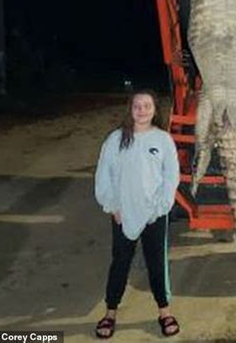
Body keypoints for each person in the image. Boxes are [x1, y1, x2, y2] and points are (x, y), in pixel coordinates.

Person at [94, 89, 180, 339]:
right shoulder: (116, 139)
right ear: (130, 110)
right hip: (123, 213)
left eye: (147, 106)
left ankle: (164, 311)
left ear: (155, 110)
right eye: (137, 106)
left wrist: (160, 208)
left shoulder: (163, 140)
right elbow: (104, 176)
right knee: (120, 262)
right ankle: (110, 312)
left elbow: (170, 177)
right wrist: (112, 207)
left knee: (156, 263)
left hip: (155, 214)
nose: (142, 110)